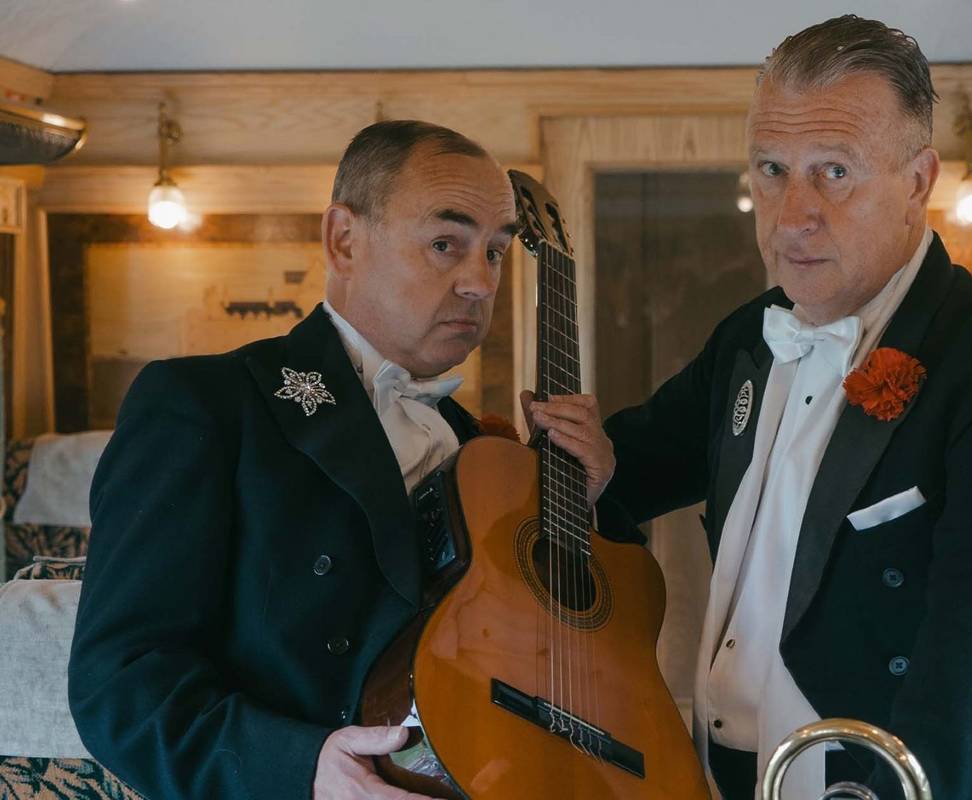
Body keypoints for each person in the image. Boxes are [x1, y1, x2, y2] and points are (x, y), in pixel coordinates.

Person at [591, 15, 972, 800]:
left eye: (833, 171)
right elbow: (620, 472)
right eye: (771, 168)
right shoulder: (749, 339)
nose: (791, 214)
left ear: (918, 180)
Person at [68, 120, 615, 800]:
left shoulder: (491, 455)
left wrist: (583, 506)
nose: (480, 282)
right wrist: (303, 769)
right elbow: (119, 682)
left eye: (497, 253)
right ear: (344, 240)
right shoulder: (207, 405)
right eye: (446, 244)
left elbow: (553, 662)